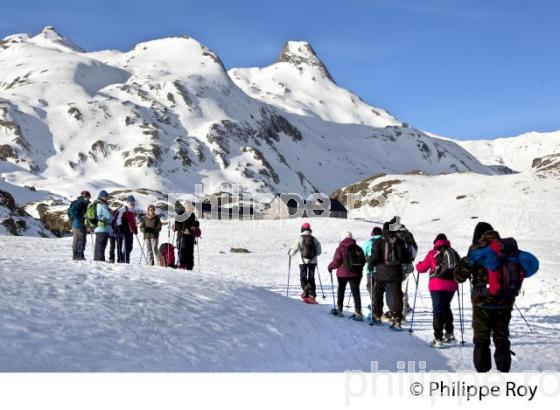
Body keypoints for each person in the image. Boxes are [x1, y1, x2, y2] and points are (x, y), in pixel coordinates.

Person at [455, 222, 539, 372]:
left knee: (481, 340)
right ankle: (503, 373)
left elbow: (459, 277)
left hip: (482, 303)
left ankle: (483, 377)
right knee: (502, 339)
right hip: (505, 301)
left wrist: (464, 264)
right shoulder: (508, 249)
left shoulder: (476, 249)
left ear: (478, 235)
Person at [416, 233, 459, 348]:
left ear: (435, 243)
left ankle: (438, 338)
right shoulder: (453, 253)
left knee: (438, 310)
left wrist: (418, 265)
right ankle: (450, 334)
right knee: (446, 307)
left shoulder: (432, 253)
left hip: (437, 286)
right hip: (452, 286)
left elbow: (422, 268)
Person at [367, 221, 411, 329]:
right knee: (397, 296)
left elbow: (374, 256)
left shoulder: (378, 241)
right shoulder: (399, 241)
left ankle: (377, 315)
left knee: (378, 293)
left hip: (381, 273)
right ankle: (397, 320)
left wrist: (370, 263)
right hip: (396, 273)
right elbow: (406, 258)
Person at [384, 216, 418, 320]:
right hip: (407, 265)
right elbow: (414, 249)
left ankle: (396, 312)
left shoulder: (394, 235)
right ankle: (404, 308)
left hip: (396, 265)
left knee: (393, 289)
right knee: (402, 289)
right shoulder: (407, 234)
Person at [328, 231, 366, 320]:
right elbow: (363, 261)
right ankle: (358, 312)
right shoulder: (358, 248)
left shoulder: (340, 248)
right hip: (356, 274)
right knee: (355, 292)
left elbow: (336, 262)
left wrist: (330, 267)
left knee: (341, 290)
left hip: (342, 274)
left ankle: (339, 309)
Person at [288, 222, 322, 303]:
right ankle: (312, 294)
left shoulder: (299, 238)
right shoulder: (314, 239)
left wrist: (290, 253)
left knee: (303, 277)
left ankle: (306, 292)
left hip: (302, 261)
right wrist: (313, 255)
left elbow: (294, 250)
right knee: (311, 278)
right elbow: (319, 252)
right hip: (313, 262)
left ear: (302, 229)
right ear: (309, 229)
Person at [174, 202, 201, 270]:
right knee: (182, 251)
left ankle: (189, 266)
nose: (191, 209)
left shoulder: (192, 215)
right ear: (185, 208)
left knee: (190, 252)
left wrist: (195, 227)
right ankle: (182, 265)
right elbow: (177, 224)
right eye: (189, 208)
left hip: (191, 236)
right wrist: (184, 230)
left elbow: (197, 223)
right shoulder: (181, 214)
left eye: (191, 208)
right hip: (182, 236)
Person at [363, 226, 383, 318]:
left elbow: (363, 255)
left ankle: (374, 309)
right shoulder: (384, 242)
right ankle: (378, 309)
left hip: (371, 270)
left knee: (371, 289)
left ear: (372, 233)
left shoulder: (368, 242)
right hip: (382, 270)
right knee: (379, 290)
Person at [113, 195, 138, 263]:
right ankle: (123, 259)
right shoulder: (124, 209)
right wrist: (120, 226)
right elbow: (118, 217)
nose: (132, 204)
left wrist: (135, 229)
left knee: (130, 246)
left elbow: (133, 222)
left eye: (133, 202)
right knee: (123, 246)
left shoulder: (133, 211)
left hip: (130, 231)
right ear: (127, 202)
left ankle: (126, 259)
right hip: (123, 231)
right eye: (130, 202)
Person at [68, 190, 91, 260]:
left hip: (81, 224)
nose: (89, 198)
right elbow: (72, 210)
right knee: (78, 240)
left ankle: (80, 255)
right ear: (85, 196)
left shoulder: (84, 202)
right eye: (88, 197)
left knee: (82, 240)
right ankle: (76, 256)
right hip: (78, 224)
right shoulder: (80, 202)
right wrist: (79, 218)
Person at [93, 190, 114, 262]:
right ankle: (100, 261)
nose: (107, 198)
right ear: (102, 197)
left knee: (98, 246)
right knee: (101, 246)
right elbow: (109, 216)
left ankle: (96, 260)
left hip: (98, 228)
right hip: (103, 228)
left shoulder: (98, 204)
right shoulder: (102, 205)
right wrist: (113, 216)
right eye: (106, 197)